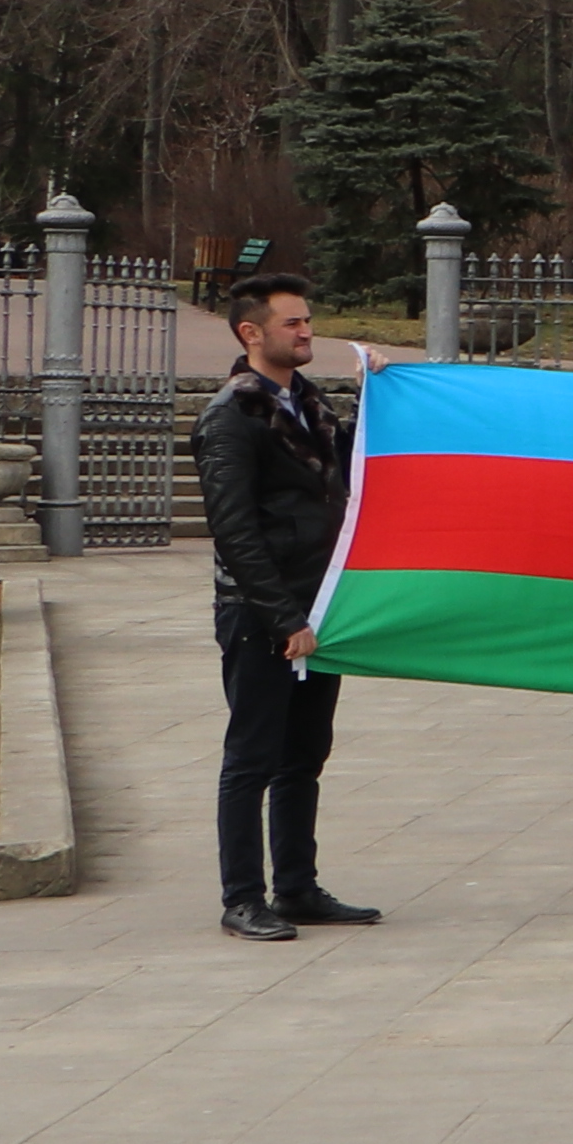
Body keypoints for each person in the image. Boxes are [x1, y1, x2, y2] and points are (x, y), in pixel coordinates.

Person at [190, 267, 372, 941]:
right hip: (262, 614)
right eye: (292, 322)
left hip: (318, 607)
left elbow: (360, 456)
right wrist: (283, 618)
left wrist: (383, 391)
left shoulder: (311, 405)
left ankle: (296, 887)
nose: (307, 331)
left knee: (304, 755)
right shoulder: (231, 417)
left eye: (307, 319)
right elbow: (233, 530)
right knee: (252, 757)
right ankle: (243, 897)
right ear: (251, 332)